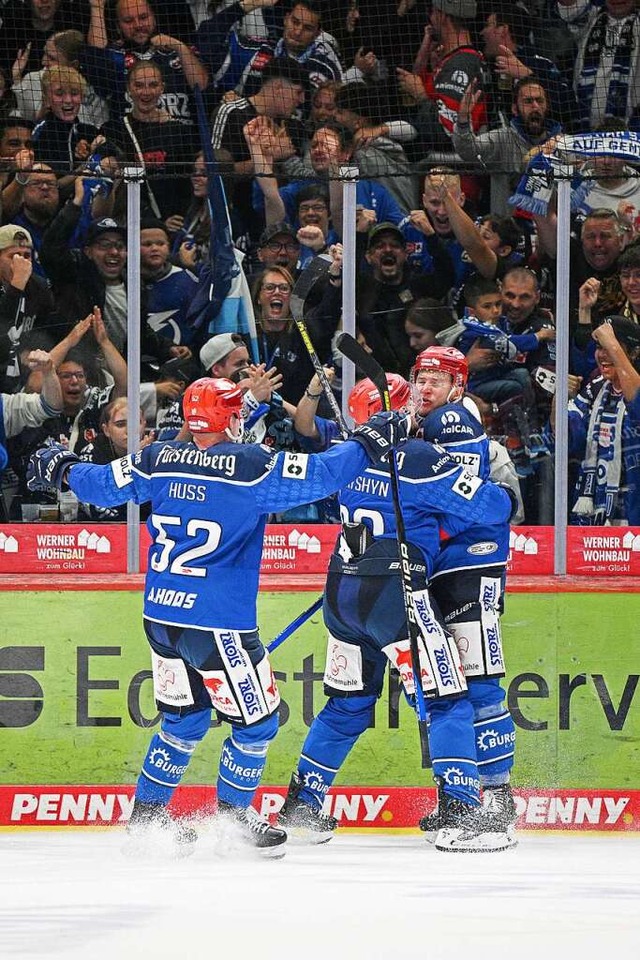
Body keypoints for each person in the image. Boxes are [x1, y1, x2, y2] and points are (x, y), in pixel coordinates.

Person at [26, 375, 407, 856]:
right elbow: (323, 475)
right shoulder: (251, 466)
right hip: (218, 623)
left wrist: (61, 467)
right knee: (257, 724)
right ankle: (236, 822)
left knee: (182, 723)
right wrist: (369, 442)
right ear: (231, 417)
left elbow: (100, 486)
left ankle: (147, 822)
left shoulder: (158, 457)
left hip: (161, 619)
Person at [281, 371, 516, 852]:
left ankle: (303, 804)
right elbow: (491, 508)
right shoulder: (419, 459)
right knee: (447, 700)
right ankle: (463, 809)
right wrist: (481, 471)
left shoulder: (344, 457)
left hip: (342, 594)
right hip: (397, 598)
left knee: (347, 704)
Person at [410, 346, 518, 841]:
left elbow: (501, 507)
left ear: (459, 385)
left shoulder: (471, 436)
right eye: (420, 378)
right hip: (434, 574)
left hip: (473, 570)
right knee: (444, 689)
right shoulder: (413, 434)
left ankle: (497, 796)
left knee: (479, 686)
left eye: (437, 379)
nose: (425, 388)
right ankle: (459, 795)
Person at [550, 316, 640, 525]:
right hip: (593, 508)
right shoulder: (595, 388)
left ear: (634, 353)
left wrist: (612, 344)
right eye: (600, 347)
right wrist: (559, 398)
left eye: (612, 347)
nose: (603, 355)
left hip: (633, 509)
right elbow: (565, 438)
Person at [452, 76, 562, 215]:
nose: (535, 106)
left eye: (539, 101)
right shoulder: (502, 138)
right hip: (509, 229)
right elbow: (468, 150)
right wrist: (463, 120)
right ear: (515, 109)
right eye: (528, 101)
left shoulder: (562, 143)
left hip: (550, 228)